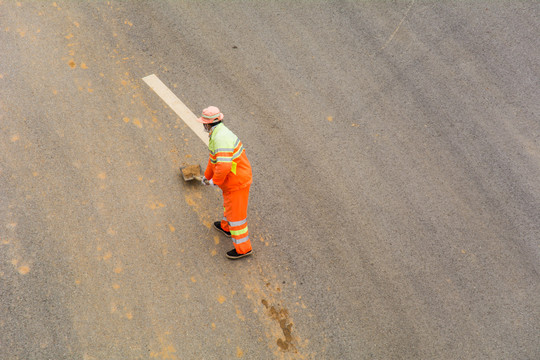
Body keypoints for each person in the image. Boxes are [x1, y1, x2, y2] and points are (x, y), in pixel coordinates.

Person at [197, 106, 253, 259]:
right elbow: (213, 159)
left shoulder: (219, 138)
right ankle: (226, 227)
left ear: (208, 124)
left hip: (237, 182)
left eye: (204, 123)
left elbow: (224, 166)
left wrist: (215, 181)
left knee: (237, 217)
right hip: (233, 180)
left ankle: (243, 249)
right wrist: (207, 177)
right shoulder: (217, 134)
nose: (203, 126)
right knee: (229, 206)